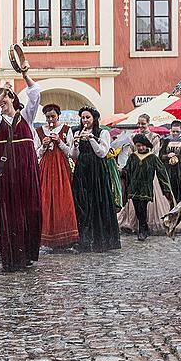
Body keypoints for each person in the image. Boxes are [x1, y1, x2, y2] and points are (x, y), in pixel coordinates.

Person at [0, 67, 42, 270]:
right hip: (7, 175)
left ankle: (26, 254)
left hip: (26, 173)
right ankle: (10, 257)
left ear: (12, 99)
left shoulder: (26, 116)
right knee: (9, 214)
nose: (2, 103)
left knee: (30, 211)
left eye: (5, 99)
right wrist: (1, 92)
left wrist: (24, 74)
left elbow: (35, 93)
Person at [71, 107, 121, 253]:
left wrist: (91, 138)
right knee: (82, 203)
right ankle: (84, 240)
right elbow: (74, 154)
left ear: (94, 118)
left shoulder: (103, 133)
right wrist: (75, 144)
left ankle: (101, 240)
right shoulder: (77, 132)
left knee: (97, 201)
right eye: (83, 118)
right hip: (82, 170)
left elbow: (102, 152)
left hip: (97, 170)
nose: (85, 120)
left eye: (88, 117)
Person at [35, 104, 79, 251]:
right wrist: (43, 145)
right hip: (46, 169)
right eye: (48, 117)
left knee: (63, 199)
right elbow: (36, 154)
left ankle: (65, 237)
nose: (50, 120)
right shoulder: (40, 131)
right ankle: (47, 237)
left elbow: (71, 152)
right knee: (46, 200)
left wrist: (59, 142)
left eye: (53, 116)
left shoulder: (66, 130)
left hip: (61, 169)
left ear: (58, 116)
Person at [121, 133, 175, 241]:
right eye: (138, 146)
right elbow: (127, 169)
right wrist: (121, 171)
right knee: (137, 209)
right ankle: (144, 227)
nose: (140, 148)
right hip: (134, 188)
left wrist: (166, 189)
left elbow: (161, 173)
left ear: (146, 145)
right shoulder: (133, 157)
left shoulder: (152, 157)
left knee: (142, 208)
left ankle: (142, 230)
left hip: (146, 188)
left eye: (142, 145)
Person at [159, 120, 181, 202]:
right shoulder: (166, 140)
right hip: (168, 170)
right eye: (173, 131)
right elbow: (160, 156)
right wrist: (167, 156)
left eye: (177, 132)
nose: (175, 133)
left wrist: (180, 157)